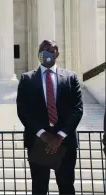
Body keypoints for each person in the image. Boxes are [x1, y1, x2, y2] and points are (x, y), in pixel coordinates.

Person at [16, 40, 83, 195]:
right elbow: (23, 110)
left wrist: (59, 137)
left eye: (49, 50)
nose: (45, 53)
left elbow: (77, 109)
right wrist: (43, 134)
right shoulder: (27, 79)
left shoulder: (70, 77)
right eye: (42, 50)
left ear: (57, 53)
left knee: (66, 186)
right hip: (38, 142)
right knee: (39, 188)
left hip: (65, 143)